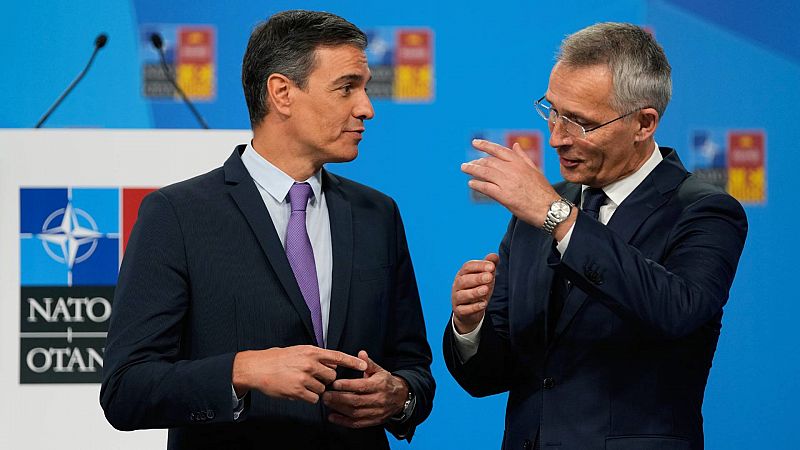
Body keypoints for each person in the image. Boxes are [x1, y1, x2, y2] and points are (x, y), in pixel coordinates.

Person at [101, 10, 434, 449]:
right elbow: (126, 390)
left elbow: (413, 366)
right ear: (282, 93)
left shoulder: (377, 214)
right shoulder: (176, 215)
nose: (366, 108)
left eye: (365, 87)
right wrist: (243, 370)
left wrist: (399, 396)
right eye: (347, 87)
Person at [443, 22, 747, 450]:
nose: (555, 138)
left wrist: (558, 218)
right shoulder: (537, 212)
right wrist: (469, 325)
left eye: (580, 123)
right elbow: (490, 377)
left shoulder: (703, 210)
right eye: (552, 110)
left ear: (644, 123)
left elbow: (677, 310)